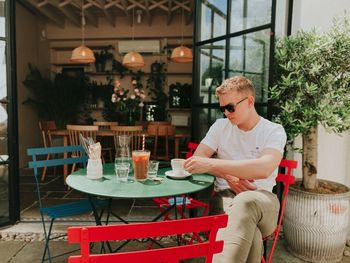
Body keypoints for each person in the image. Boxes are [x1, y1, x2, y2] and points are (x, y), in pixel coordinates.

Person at [184, 76, 286, 263]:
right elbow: (197, 160)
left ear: (249, 101)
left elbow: (264, 168)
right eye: (222, 108)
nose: (226, 113)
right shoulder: (220, 127)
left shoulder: (273, 130)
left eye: (230, 107)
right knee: (252, 235)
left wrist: (214, 165)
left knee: (246, 202)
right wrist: (228, 175)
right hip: (224, 197)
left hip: (263, 200)